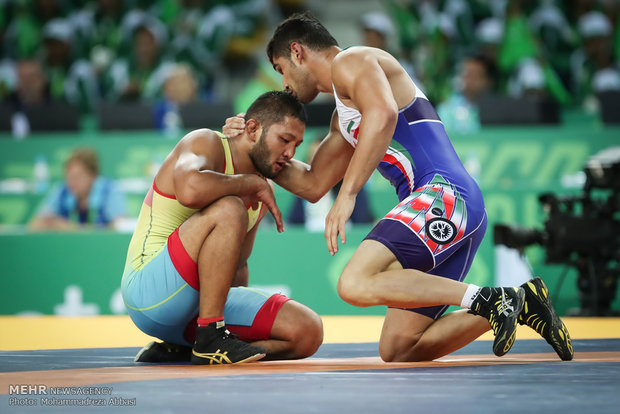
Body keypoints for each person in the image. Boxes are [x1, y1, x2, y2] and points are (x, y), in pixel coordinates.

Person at [224, 12, 573, 362]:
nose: (283, 83)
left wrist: (348, 195)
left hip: (444, 193)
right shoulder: (343, 116)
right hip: (447, 205)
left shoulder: (352, 60)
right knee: (400, 347)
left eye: (281, 68)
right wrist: (253, 146)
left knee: (354, 282)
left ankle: (489, 298)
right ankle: (520, 300)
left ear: (298, 52)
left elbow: (384, 115)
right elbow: (313, 183)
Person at [122, 91, 323, 365]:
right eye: (284, 140)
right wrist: (249, 184)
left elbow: (236, 265)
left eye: (296, 145)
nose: (290, 153)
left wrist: (235, 330)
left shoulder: (262, 188)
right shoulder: (207, 143)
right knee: (229, 207)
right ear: (252, 129)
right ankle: (209, 337)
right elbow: (189, 190)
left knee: (308, 331)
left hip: (196, 312)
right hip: (148, 293)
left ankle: (197, 343)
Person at [29, 147, 128, 231]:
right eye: (69, 177)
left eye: (78, 177)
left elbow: (120, 226)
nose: (72, 182)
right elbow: (34, 225)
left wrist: (69, 227)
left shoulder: (110, 190)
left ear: (93, 175)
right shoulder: (62, 190)